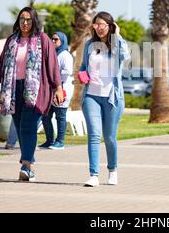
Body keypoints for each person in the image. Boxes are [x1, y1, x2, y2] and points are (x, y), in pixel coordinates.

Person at [0, 7, 63, 182]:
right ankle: (31, 166)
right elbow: (1, 65)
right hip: (13, 89)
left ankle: (26, 164)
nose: (25, 23)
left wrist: (58, 87)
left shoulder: (42, 40)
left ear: (34, 21)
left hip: (36, 90)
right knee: (20, 128)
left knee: (28, 126)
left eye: (28, 19)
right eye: (22, 19)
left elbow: (52, 65)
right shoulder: (12, 40)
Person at [78, 11, 130, 187]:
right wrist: (81, 74)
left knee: (109, 137)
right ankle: (93, 175)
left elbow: (126, 57)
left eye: (102, 25)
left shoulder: (116, 44)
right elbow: (83, 66)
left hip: (111, 97)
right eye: (96, 25)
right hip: (91, 95)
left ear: (110, 26)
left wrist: (118, 35)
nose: (99, 28)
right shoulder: (89, 45)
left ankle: (113, 170)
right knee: (94, 135)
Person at [39, 31, 74, 150]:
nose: (53, 41)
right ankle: (49, 140)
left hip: (62, 88)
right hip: (50, 89)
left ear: (62, 41)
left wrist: (54, 74)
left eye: (56, 39)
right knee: (46, 116)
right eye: (52, 39)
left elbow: (68, 72)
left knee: (60, 115)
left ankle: (60, 141)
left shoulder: (65, 55)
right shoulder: (51, 53)